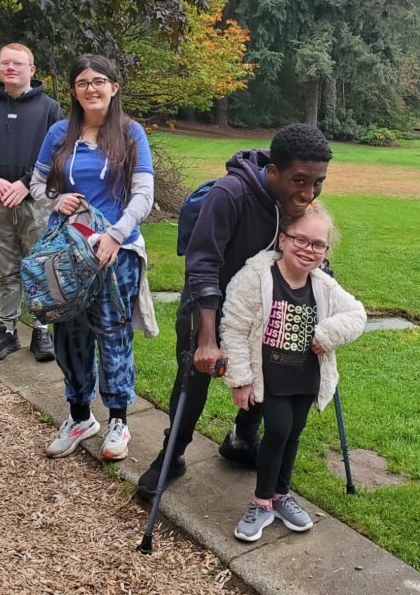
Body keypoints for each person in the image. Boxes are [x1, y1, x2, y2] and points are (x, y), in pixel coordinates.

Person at [136, 123, 333, 500]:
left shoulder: (292, 202)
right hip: (210, 304)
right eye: (301, 181)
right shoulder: (231, 193)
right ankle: (172, 455)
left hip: (262, 312)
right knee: (194, 380)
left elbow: (303, 247)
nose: (308, 194)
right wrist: (207, 339)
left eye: (318, 183)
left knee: (266, 373)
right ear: (274, 172)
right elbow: (202, 264)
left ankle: (242, 440)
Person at [30, 54, 157, 462]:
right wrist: (54, 197)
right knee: (70, 335)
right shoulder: (59, 134)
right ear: (73, 91)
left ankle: (119, 419)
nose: (91, 88)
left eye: (99, 80)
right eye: (82, 82)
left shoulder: (131, 133)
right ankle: (80, 416)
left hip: (114, 251)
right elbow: (36, 183)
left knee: (113, 332)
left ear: (114, 87)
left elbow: (143, 195)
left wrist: (116, 236)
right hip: (68, 253)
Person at [221, 203, 365, 542]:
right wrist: (240, 380)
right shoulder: (256, 277)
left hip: (305, 378)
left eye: (318, 245)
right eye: (301, 240)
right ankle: (261, 502)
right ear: (283, 239)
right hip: (268, 378)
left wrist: (328, 333)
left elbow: (357, 315)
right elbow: (235, 327)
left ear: (326, 251)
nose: (308, 250)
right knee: (278, 430)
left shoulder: (324, 285)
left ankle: (281, 495)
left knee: (294, 432)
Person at [0, 43, 62, 363]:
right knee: (7, 270)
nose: (11, 68)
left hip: (35, 203)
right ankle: (6, 329)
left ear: (31, 70)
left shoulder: (49, 109)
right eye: (5, 63)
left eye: (18, 63)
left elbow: (57, 154)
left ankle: (41, 329)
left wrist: (25, 183)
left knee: (38, 265)